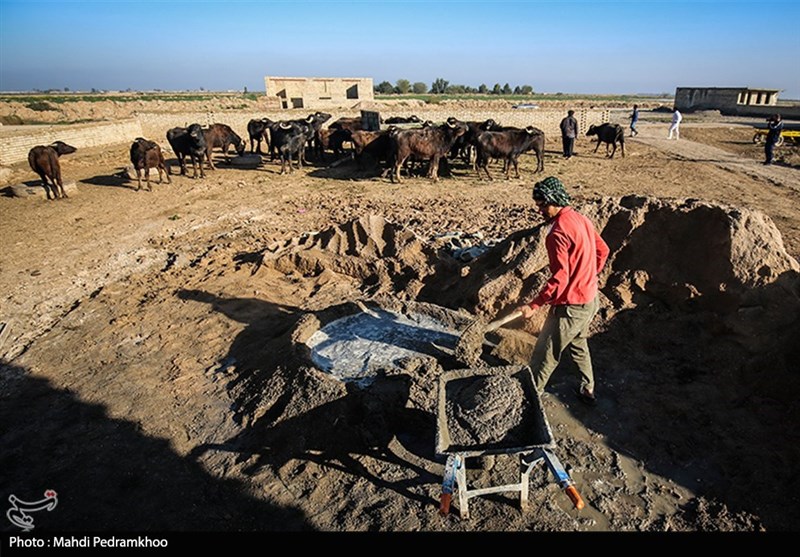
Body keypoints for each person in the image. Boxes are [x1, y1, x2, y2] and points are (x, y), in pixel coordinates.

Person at [516, 176, 610, 405]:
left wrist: (535, 304)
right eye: (537, 205)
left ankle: (528, 400)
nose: (539, 210)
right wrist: (588, 276)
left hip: (571, 307)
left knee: (545, 354)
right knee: (578, 344)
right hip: (589, 300)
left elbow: (560, 277)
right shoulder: (581, 219)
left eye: (542, 205)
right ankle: (587, 388)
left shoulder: (557, 233)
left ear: (555, 200)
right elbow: (603, 250)